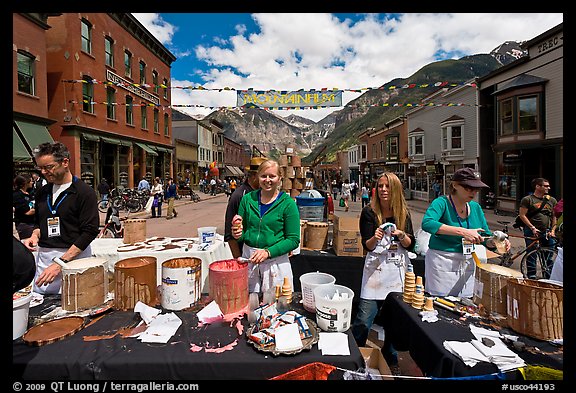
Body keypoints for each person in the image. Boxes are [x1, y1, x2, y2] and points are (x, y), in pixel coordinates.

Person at [351, 172, 416, 375]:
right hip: (375, 272)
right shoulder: (369, 212)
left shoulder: (404, 213)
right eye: (380, 186)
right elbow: (367, 246)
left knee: (393, 321)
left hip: (396, 271)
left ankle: (391, 357)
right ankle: (354, 353)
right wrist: (376, 237)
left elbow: (412, 244)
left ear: (395, 189)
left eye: (387, 186)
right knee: (363, 319)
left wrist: (402, 235)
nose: (383, 190)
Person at [21, 141, 100, 295]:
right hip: (45, 260)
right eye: (40, 168)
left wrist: (61, 262)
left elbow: (89, 232)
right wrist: (34, 235)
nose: (43, 172)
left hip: (75, 260)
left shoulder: (84, 192)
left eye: (48, 167)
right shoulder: (42, 192)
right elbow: (39, 222)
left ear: (65, 162)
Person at [421, 167, 510, 298]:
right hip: (443, 261)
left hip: (468, 260)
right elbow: (427, 223)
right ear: (455, 185)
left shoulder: (475, 207)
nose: (473, 192)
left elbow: (485, 237)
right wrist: (463, 232)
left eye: (476, 189)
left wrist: (495, 242)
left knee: (466, 302)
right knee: (441, 301)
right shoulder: (442, 203)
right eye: (468, 188)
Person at [231, 159, 300, 294]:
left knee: (275, 306)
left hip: (275, 263)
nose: (267, 180)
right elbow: (242, 232)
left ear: (279, 178)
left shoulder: (288, 204)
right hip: (250, 259)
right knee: (250, 304)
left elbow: (293, 239)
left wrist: (268, 252)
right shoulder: (247, 199)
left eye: (272, 176)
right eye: (263, 176)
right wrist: (238, 234)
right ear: (258, 177)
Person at [224, 157, 265, 258]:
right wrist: (238, 258)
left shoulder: (264, 194)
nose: (266, 180)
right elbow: (229, 233)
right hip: (245, 254)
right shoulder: (239, 196)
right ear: (255, 176)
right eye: (263, 176)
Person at [517, 178, 557, 279]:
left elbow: (554, 216)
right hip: (532, 230)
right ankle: (531, 275)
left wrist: (553, 230)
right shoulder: (528, 199)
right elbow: (522, 215)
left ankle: (548, 276)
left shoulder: (551, 200)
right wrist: (532, 227)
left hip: (547, 231)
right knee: (532, 253)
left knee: (548, 254)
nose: (549, 188)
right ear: (537, 186)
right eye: (546, 186)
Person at [13, 174, 36, 240]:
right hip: (24, 224)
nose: (32, 182)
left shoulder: (31, 193)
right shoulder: (17, 195)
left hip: (33, 222)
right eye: (30, 181)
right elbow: (27, 212)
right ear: (25, 183)